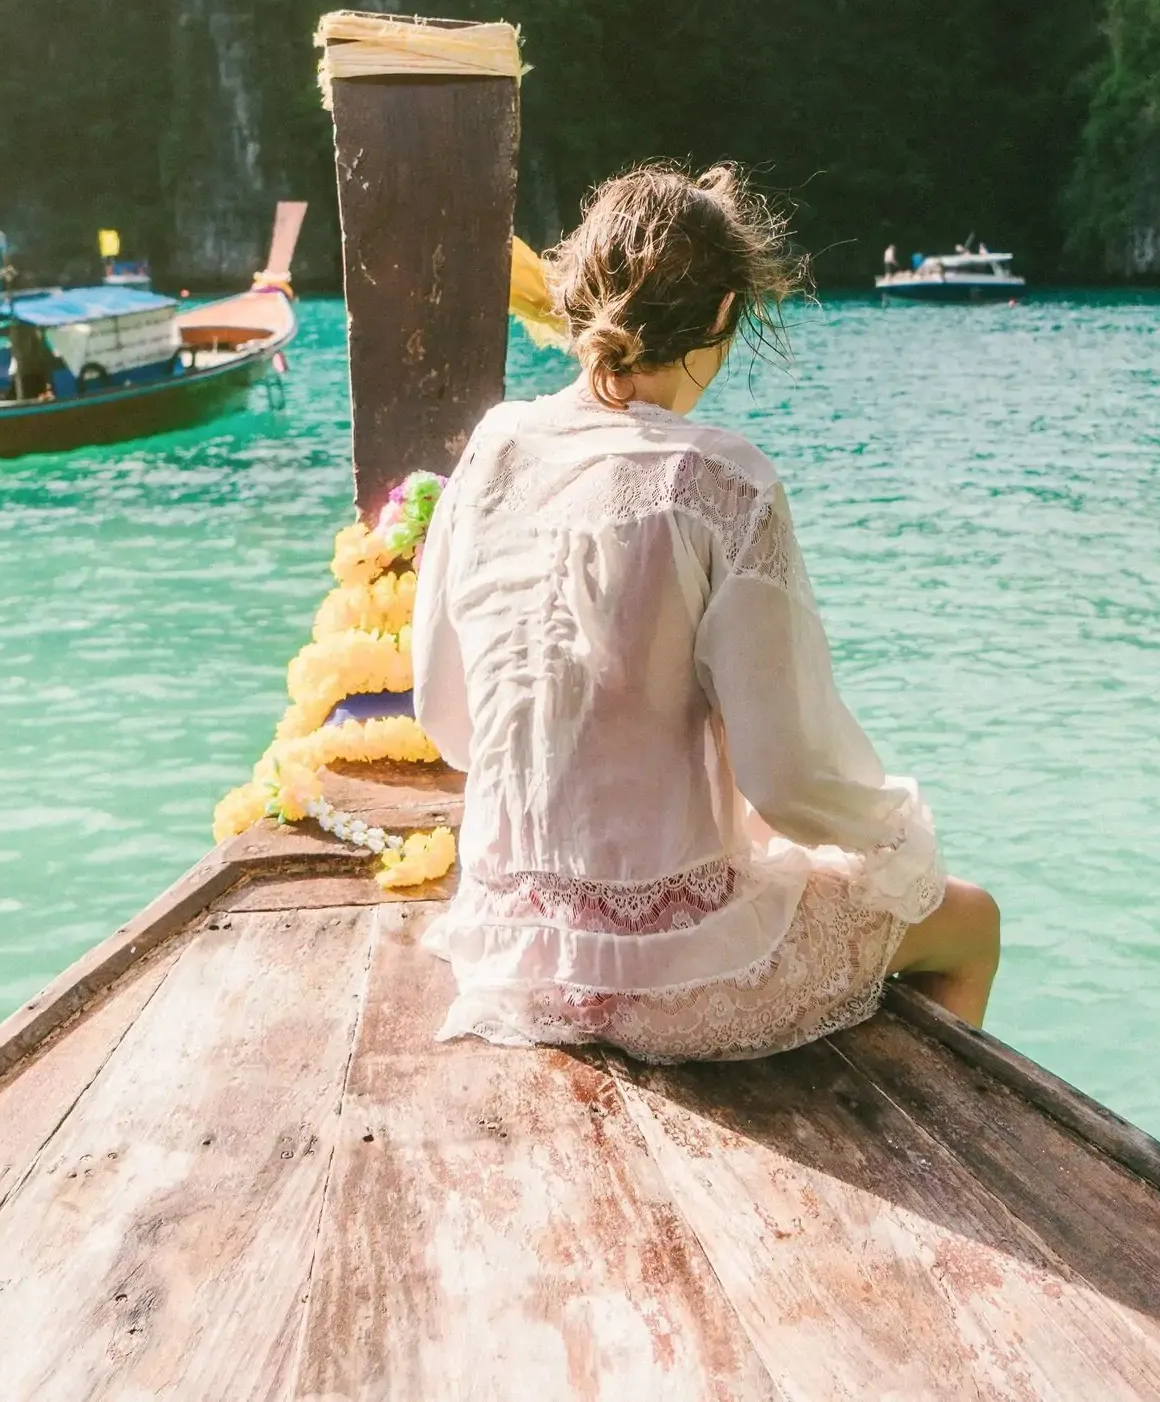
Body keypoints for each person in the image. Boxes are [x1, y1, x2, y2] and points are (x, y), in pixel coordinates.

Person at [412, 163, 999, 1063]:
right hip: (673, 980)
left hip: (506, 954)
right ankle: (929, 1151)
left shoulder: (493, 451)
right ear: (724, 314)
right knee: (970, 921)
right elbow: (788, 782)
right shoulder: (721, 483)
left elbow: (447, 723)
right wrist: (894, 838)